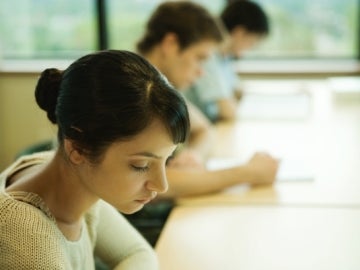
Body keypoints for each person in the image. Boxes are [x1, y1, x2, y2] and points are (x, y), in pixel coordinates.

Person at [0, 50, 190, 269]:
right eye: (141, 166)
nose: (162, 185)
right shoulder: (26, 238)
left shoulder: (74, 179)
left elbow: (137, 253)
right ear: (78, 148)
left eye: (166, 160)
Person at [125, 1, 278, 247]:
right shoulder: (135, 91)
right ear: (171, 44)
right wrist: (247, 173)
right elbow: (150, 185)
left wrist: (193, 155)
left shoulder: (157, 83)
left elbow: (203, 129)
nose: (201, 73)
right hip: (133, 227)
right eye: (199, 58)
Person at [185, 0, 270, 122]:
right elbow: (228, 112)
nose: (249, 48)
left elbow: (238, 92)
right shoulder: (208, 57)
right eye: (252, 42)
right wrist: (232, 101)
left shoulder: (224, 58)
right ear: (239, 33)